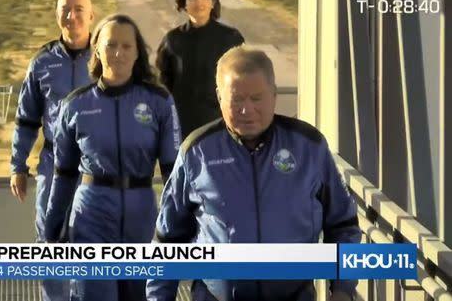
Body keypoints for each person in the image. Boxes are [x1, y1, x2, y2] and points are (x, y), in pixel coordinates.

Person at [146, 46, 360, 301]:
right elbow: (168, 239)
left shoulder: (309, 147)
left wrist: (343, 290)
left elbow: (343, 225)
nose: (247, 110)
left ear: (274, 95)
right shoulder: (197, 152)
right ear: (219, 97)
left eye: (256, 98)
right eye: (236, 99)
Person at [44, 14, 181, 301]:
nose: (118, 53)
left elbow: (174, 176)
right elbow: (64, 174)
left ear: (138, 53)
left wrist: (180, 228)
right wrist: (52, 229)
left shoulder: (159, 102)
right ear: (97, 50)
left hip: (142, 216)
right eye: (110, 45)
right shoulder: (76, 105)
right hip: (91, 217)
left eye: (126, 46)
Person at [9, 0, 95, 301]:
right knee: (50, 245)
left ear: (91, 15)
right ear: (57, 14)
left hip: (96, 172)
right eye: (65, 9)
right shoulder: (43, 62)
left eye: (78, 9)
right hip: (53, 166)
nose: (71, 16)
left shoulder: (107, 58)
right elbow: (27, 117)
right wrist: (18, 165)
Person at [156, 0, 245, 139]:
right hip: (181, 125)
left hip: (221, 124)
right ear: (184, 4)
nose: (199, 3)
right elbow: (163, 82)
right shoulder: (172, 40)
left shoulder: (231, 38)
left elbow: (244, 80)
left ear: (213, 3)